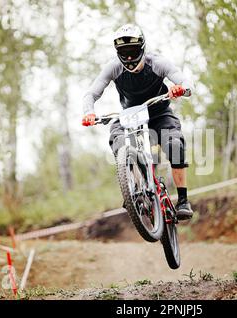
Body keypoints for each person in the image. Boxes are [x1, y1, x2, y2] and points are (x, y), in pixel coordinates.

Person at [82, 24, 193, 220]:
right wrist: (89, 113)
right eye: (124, 53)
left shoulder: (157, 62)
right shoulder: (113, 67)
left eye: (133, 51)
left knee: (174, 144)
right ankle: (133, 189)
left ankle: (183, 200)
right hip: (129, 116)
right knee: (118, 141)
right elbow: (91, 93)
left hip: (160, 113)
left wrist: (180, 89)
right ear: (118, 53)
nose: (130, 58)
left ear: (142, 48)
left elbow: (185, 82)